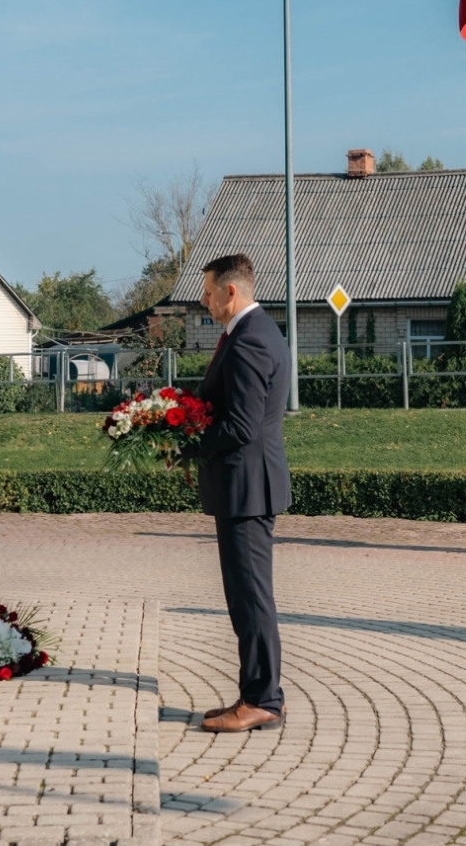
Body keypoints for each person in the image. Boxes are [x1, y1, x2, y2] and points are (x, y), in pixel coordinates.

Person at [186, 253, 291, 730]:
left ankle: (262, 699)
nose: (203, 300)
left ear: (232, 291)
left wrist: (189, 443)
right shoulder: (251, 331)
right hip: (244, 486)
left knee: (250, 598)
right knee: (246, 595)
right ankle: (258, 692)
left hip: (247, 487)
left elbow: (243, 424)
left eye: (208, 291)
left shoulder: (250, 339)